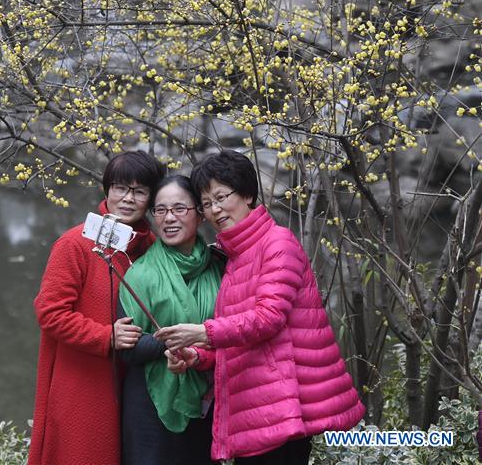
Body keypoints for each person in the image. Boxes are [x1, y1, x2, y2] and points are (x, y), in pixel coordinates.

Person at [154, 150, 364, 464]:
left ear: (248, 194)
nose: (215, 209)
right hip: (261, 403)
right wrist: (197, 356)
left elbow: (268, 319)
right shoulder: (237, 256)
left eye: (221, 197)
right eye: (207, 203)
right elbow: (241, 339)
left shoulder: (277, 243)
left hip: (281, 403)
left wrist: (201, 332)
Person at [29, 150, 166, 465]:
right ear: (107, 190)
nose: (128, 199)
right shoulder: (76, 244)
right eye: (120, 188)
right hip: (84, 383)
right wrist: (106, 337)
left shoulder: (153, 249)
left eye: (139, 191)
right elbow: (50, 313)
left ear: (151, 199)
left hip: (138, 387)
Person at [117, 175, 223, 465]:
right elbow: (129, 348)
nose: (169, 218)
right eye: (160, 210)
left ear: (200, 214)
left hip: (210, 398)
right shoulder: (141, 274)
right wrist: (176, 342)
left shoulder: (219, 266)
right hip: (150, 404)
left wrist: (199, 343)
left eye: (179, 208)